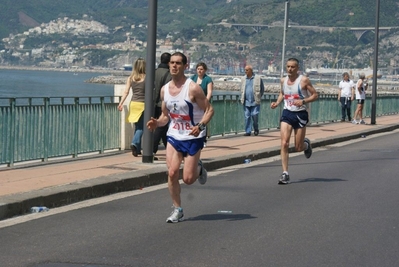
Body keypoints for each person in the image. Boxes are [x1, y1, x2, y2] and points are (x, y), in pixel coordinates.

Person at [146, 52, 214, 223]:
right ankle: (178, 209)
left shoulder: (193, 88)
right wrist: (157, 123)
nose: (174, 66)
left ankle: (198, 168)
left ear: (185, 66)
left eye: (178, 63)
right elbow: (165, 116)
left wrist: (200, 126)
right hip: (174, 136)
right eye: (172, 63)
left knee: (189, 179)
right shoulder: (164, 90)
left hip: (193, 137)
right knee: (172, 172)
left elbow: (209, 110)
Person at [270, 58, 318, 184]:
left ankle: (306, 145)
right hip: (287, 113)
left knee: (298, 147)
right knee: (284, 143)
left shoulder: (303, 81)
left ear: (297, 68)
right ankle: (285, 173)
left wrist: (303, 101)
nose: (290, 69)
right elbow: (282, 93)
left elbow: (315, 95)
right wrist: (277, 102)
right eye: (288, 67)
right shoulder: (283, 81)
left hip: (300, 114)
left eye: (292, 67)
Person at [118, 58, 146, 157]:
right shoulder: (147, 77)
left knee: (137, 126)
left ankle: (137, 150)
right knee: (142, 127)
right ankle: (134, 143)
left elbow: (126, 92)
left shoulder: (131, 78)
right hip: (143, 104)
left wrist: (121, 103)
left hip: (133, 103)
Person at [153, 52, 172, 159]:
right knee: (161, 127)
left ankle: (170, 150)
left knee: (163, 128)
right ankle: (151, 150)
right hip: (163, 104)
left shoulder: (154, 72)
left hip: (153, 103)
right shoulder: (169, 74)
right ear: (169, 62)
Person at [190, 62, 213, 145]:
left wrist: (205, 102)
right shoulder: (193, 78)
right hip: (194, 104)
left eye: (201, 69)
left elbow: (209, 92)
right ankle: (193, 135)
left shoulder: (208, 79)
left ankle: (203, 138)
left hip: (203, 104)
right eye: (198, 69)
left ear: (205, 70)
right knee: (194, 120)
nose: (199, 71)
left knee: (203, 121)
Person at [240, 65, 265, 136]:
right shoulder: (243, 79)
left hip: (255, 102)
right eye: (245, 70)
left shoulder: (258, 78)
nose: (245, 71)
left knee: (255, 115)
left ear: (251, 70)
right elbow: (241, 89)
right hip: (246, 101)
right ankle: (248, 131)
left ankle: (256, 129)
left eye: (247, 70)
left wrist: (258, 97)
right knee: (247, 117)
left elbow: (262, 89)